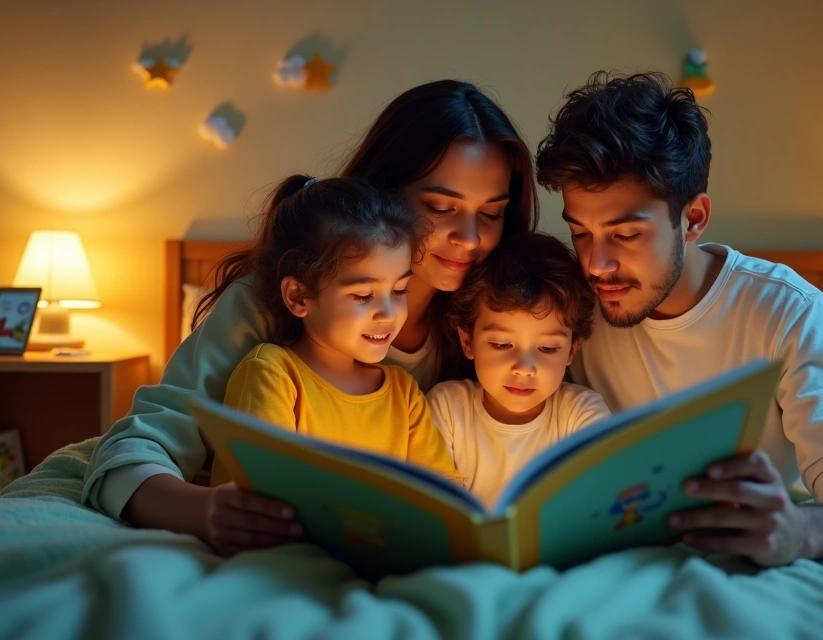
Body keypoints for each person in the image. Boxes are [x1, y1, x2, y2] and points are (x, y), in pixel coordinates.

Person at [83, 80, 538, 556]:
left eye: (491, 214)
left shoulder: (497, 321)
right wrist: (202, 510)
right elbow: (142, 443)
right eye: (440, 207)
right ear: (382, 194)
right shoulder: (264, 306)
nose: (469, 237)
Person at [534, 72, 823, 567]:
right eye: (581, 233)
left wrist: (804, 532)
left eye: (624, 236)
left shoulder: (786, 310)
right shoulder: (570, 309)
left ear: (693, 219)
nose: (596, 265)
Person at [212, 177, 462, 514]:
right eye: (363, 295)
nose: (388, 314)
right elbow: (269, 497)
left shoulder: (403, 394)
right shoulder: (273, 374)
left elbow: (444, 493)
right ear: (298, 296)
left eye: (400, 290)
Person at [427, 232, 610, 507]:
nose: (524, 369)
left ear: (571, 350)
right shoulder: (448, 408)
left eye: (548, 349)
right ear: (468, 341)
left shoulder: (580, 414)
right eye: (501, 344)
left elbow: (599, 500)